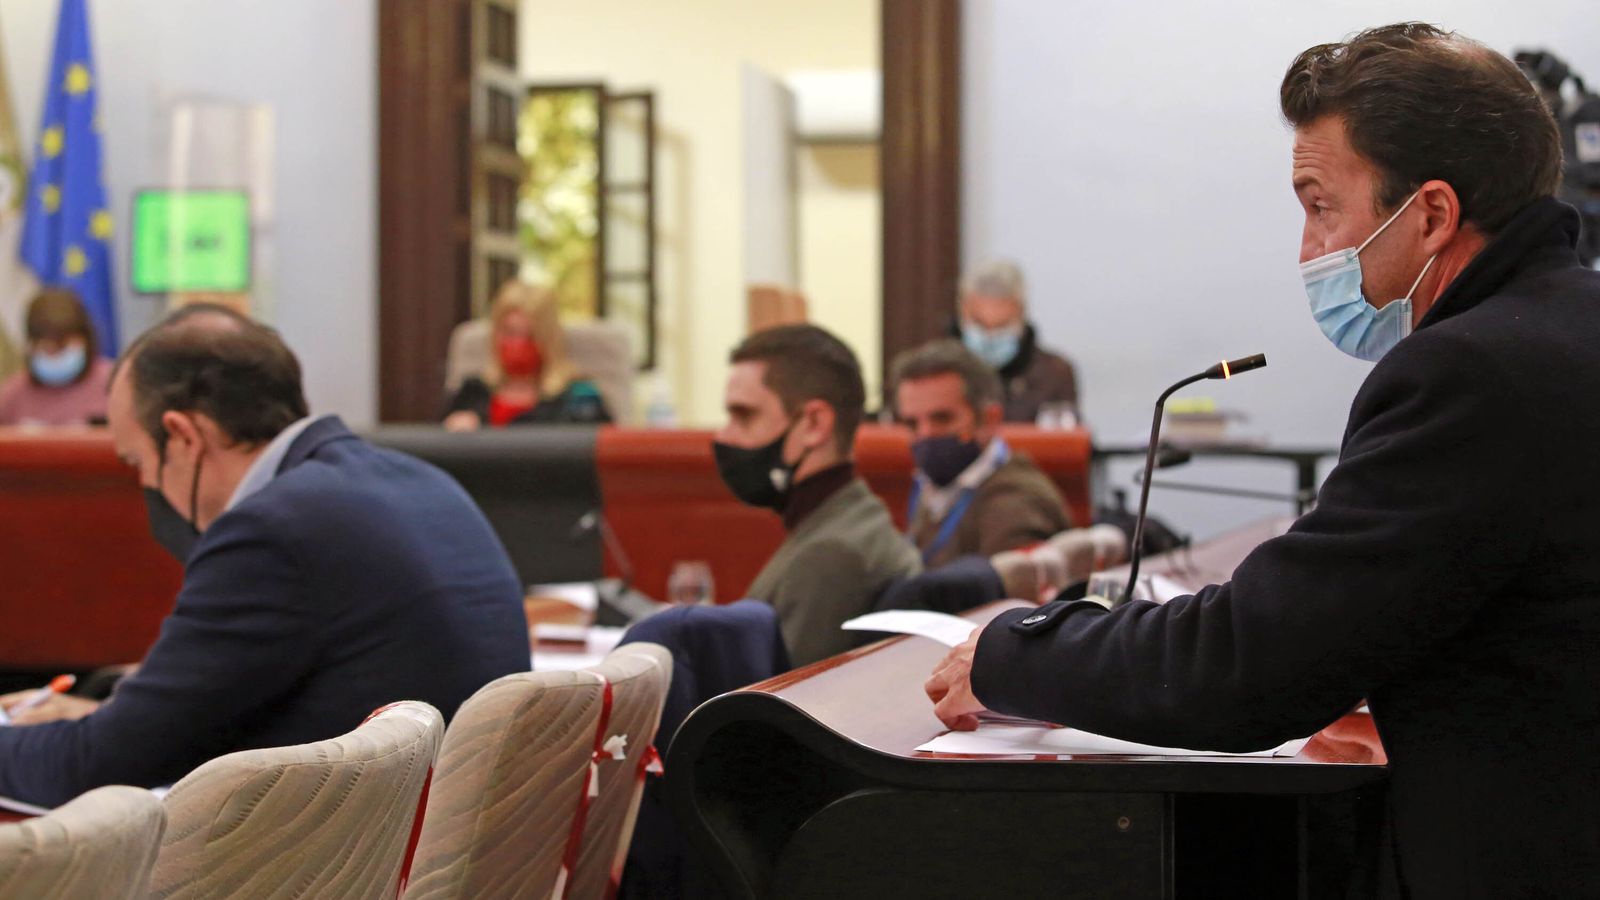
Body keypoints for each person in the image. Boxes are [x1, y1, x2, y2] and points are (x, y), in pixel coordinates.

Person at [925, 24, 1600, 897]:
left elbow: (1250, 665)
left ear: (1430, 214)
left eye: (1321, 204)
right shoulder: (1570, 324)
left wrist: (1013, 654)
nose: (1307, 247)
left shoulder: (1470, 370)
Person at [0, 304, 529, 807]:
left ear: (183, 437)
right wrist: (114, 713)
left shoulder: (272, 530)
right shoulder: (420, 481)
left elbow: (100, 765)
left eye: (136, 459)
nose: (144, 483)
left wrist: (92, 731)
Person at [713, 324, 921, 666]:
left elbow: (775, 708)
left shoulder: (832, 554)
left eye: (744, 415)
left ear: (814, 424)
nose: (725, 436)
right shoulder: (851, 518)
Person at [891, 339, 1071, 567]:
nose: (925, 434)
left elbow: (1011, 599)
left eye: (942, 418)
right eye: (911, 423)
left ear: (989, 419)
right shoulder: (937, 486)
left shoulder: (1014, 504)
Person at [443, 280, 611, 429]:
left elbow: (606, 453)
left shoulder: (580, 397)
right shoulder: (473, 393)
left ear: (549, 338)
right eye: (510, 332)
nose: (518, 344)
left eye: (530, 335)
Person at [955, 260, 1078, 423]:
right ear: (962, 311)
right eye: (980, 324)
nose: (990, 337)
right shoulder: (934, 372)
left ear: (1021, 315)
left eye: (1001, 325)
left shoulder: (1054, 373)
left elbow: (1067, 440)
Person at [0, 289, 115, 426]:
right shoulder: (11, 395)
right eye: (47, 347)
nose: (55, 355)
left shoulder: (115, 384)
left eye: (63, 346)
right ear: (30, 346)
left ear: (86, 340)